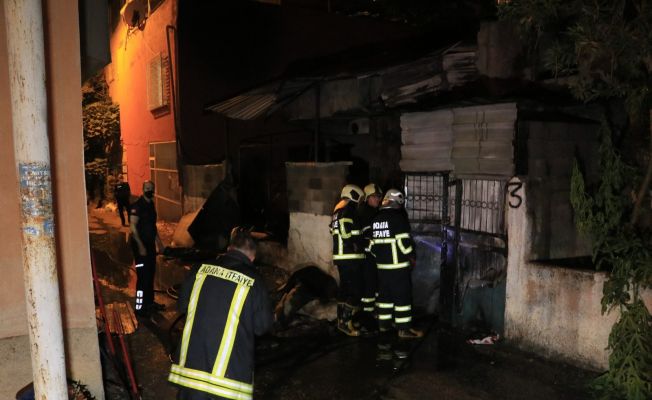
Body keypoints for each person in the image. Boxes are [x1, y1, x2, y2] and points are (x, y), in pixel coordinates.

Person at [169, 227, 273, 400]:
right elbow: (262, 327)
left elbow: (182, 306)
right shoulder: (255, 282)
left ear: (229, 249)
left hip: (191, 372)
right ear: (252, 257)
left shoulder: (200, 270)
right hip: (228, 382)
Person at [368, 189, 423, 344]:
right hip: (398, 267)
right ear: (397, 202)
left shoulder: (376, 219)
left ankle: (384, 326)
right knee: (402, 298)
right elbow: (404, 244)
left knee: (384, 297)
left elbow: (371, 247)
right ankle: (403, 329)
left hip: (382, 268)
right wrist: (412, 255)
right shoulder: (398, 218)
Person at [330, 184, 365, 336]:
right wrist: (354, 243)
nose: (360, 202)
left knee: (344, 290)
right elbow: (346, 230)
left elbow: (333, 230)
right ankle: (347, 323)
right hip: (350, 257)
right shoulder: (348, 210)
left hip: (341, 257)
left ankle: (342, 322)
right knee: (356, 291)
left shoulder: (336, 211)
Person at [129, 180, 165, 317]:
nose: (149, 190)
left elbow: (152, 227)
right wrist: (141, 246)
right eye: (147, 188)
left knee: (150, 275)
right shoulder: (137, 206)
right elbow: (133, 227)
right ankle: (139, 307)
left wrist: (159, 243)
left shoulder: (151, 205)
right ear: (143, 189)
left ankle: (149, 303)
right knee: (143, 277)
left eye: (151, 188)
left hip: (149, 245)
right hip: (140, 247)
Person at [356, 183, 383, 334]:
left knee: (375, 286)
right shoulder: (365, 213)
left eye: (379, 197)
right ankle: (367, 318)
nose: (378, 199)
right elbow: (368, 236)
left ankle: (374, 315)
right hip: (368, 257)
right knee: (369, 287)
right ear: (367, 198)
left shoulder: (373, 211)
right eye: (375, 197)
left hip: (373, 256)